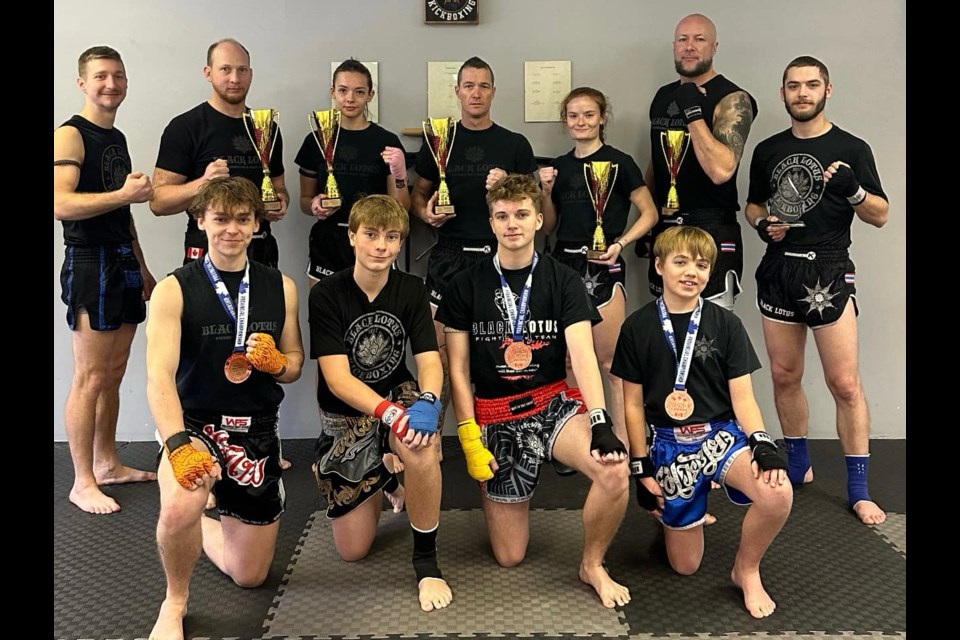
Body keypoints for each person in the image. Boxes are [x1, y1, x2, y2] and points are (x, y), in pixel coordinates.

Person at [437, 174, 631, 609]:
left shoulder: (562, 280)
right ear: (491, 223)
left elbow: (582, 355)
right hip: (497, 413)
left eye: (522, 214)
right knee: (509, 556)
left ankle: (593, 564)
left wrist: (600, 422)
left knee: (615, 471)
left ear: (539, 219)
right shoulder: (465, 284)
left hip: (553, 405)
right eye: (502, 216)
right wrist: (468, 434)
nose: (512, 224)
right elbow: (459, 367)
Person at [145, 177, 303, 640]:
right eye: (220, 219)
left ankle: (206, 522)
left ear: (256, 224)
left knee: (249, 575)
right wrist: (176, 445)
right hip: (194, 424)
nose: (230, 229)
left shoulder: (282, 287)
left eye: (241, 219)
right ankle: (174, 601)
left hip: (256, 429)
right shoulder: (173, 290)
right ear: (201, 222)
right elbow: (157, 378)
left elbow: (294, 364)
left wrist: (277, 364)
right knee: (179, 503)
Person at [612, 225, 793, 618]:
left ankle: (745, 570)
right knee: (685, 566)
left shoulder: (726, 324)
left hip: (721, 437)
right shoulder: (637, 327)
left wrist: (761, 441)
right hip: (667, 444)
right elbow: (632, 406)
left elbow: (742, 396)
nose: (691, 271)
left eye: (701, 264)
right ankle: (683, 508)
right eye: (680, 261)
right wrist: (641, 466)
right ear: (659, 266)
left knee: (778, 493)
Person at [745, 56, 889, 526]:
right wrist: (764, 225)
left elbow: (880, 214)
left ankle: (859, 489)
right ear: (782, 93)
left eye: (811, 85)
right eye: (793, 86)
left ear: (827, 90)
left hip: (828, 271)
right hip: (780, 270)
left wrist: (854, 193)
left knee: (844, 383)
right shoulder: (768, 149)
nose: (801, 93)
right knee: (785, 376)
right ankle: (799, 465)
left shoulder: (852, 146)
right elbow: (752, 206)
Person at [308, 194, 452, 612]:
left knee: (422, 446)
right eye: (370, 235)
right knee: (353, 550)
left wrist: (426, 401)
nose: (381, 246)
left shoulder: (410, 288)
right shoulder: (328, 295)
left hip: (395, 393)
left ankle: (426, 563)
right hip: (345, 414)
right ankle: (384, 474)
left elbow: (428, 359)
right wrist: (387, 414)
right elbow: (336, 379)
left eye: (391, 237)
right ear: (352, 237)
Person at [54, 45, 157, 514]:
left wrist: (143, 265)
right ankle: (81, 481)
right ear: (82, 82)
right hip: (90, 260)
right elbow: (60, 204)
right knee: (90, 377)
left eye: (118, 75)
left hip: (122, 259)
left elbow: (123, 209)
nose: (111, 84)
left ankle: (107, 462)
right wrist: (121, 193)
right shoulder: (70, 136)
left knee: (113, 375)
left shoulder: (114, 137)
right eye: (100, 76)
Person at [412, 56, 538, 430]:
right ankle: (431, 436)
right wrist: (426, 214)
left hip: (498, 259)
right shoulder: (439, 140)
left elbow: (536, 202)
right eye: (469, 85)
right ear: (457, 92)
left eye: (483, 85)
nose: (476, 93)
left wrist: (510, 181)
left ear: (493, 92)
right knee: (440, 353)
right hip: (449, 255)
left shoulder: (514, 143)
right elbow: (418, 196)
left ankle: (500, 432)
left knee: (498, 350)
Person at [539, 86, 658, 440]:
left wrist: (620, 243)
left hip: (604, 266)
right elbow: (547, 227)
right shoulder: (558, 168)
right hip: (563, 265)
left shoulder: (620, 162)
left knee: (610, 363)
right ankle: (579, 437)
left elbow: (650, 213)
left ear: (602, 117)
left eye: (589, 114)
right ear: (565, 121)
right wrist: (545, 192)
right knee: (569, 361)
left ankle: (625, 441)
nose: (581, 122)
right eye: (573, 115)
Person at [642, 13, 757, 310]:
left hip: (711, 228)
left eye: (699, 39)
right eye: (683, 39)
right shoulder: (663, 95)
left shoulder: (733, 98)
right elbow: (659, 161)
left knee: (710, 339)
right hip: (667, 228)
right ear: (674, 46)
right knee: (668, 333)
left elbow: (721, 171)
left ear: (715, 47)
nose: (689, 46)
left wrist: (692, 111)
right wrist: (646, 222)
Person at [150, 38, 289, 268]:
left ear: (250, 74)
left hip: (260, 249)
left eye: (242, 70)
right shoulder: (185, 127)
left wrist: (281, 200)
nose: (235, 78)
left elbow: (279, 186)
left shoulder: (267, 128)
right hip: (208, 250)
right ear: (208, 73)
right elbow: (158, 202)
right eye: (225, 69)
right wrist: (203, 183)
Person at [296, 58, 411, 287]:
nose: (350, 98)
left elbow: (402, 209)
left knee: (372, 318)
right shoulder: (315, 141)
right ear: (333, 92)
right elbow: (304, 201)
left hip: (374, 241)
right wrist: (314, 205)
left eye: (359, 92)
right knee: (326, 318)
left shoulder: (386, 141)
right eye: (343, 90)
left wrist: (400, 175)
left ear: (370, 95)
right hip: (328, 243)